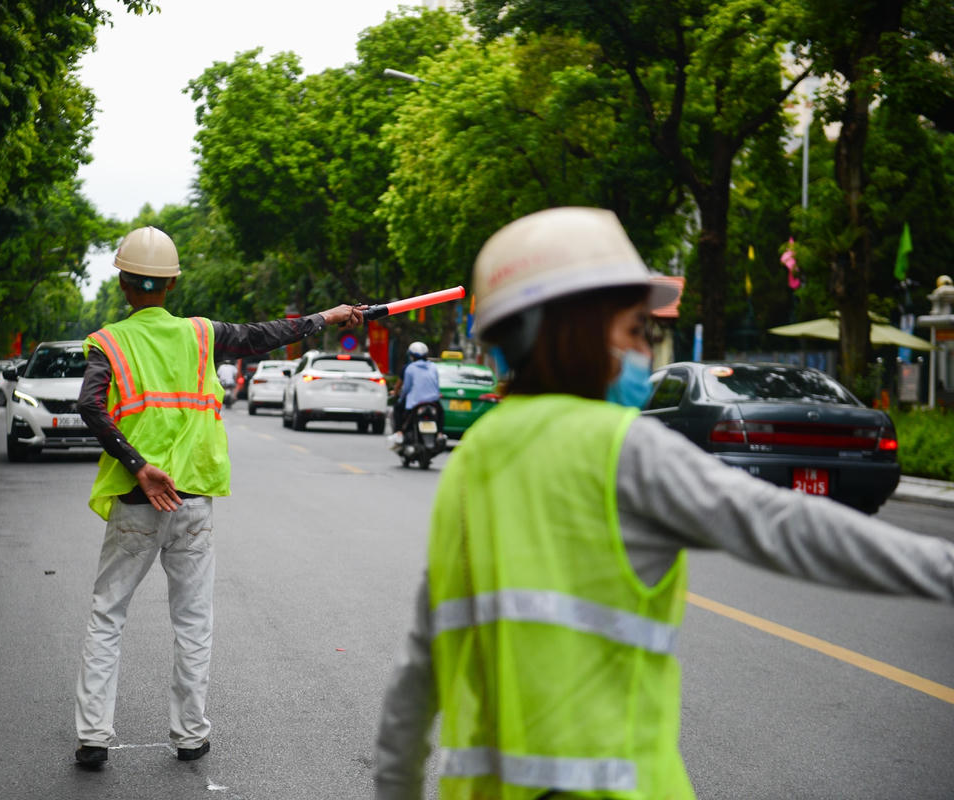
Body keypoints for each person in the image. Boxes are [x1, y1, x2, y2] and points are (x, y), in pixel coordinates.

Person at [373, 207, 954, 800]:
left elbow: (418, 670)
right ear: (572, 332)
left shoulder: (472, 460)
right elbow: (785, 525)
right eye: (635, 330)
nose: (645, 352)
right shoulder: (620, 447)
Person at [73, 226, 364, 768]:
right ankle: (189, 735)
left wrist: (138, 467)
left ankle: (93, 737)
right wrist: (327, 317)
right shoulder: (202, 334)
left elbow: (91, 405)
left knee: (107, 616)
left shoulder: (108, 342)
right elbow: (264, 335)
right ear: (171, 284)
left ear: (124, 284)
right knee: (192, 622)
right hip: (192, 502)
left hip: (138, 500)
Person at [390, 341, 443, 447]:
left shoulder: (410, 368)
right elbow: (436, 385)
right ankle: (440, 434)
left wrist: (400, 397)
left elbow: (406, 388)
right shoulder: (433, 367)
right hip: (433, 401)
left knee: (397, 408)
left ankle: (399, 433)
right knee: (441, 412)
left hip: (415, 402)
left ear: (411, 356)